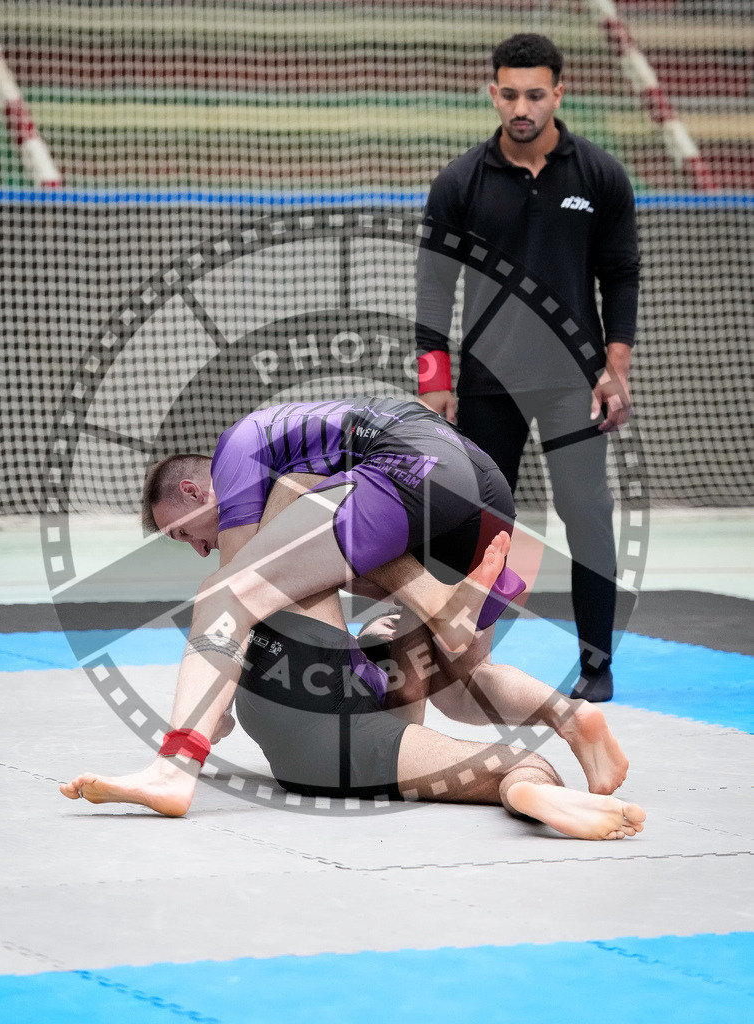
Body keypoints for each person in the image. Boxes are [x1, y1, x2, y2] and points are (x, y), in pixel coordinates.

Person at [60, 396, 645, 839]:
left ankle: (172, 769)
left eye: (185, 532)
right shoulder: (307, 464)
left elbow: (237, 587)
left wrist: (208, 719)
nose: (198, 547)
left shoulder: (240, 455)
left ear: (194, 490)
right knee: (464, 680)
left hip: (411, 467)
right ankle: (569, 719)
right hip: (476, 483)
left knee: (228, 591)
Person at [415, 33, 641, 702]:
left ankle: (595, 666)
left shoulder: (599, 176)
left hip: (575, 384)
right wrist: (434, 384)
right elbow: (433, 288)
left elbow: (619, 277)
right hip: (489, 384)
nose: (521, 107)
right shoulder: (459, 181)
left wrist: (614, 367)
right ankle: (448, 657)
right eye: (509, 94)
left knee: (588, 516)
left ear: (557, 94)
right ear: (493, 93)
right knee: (477, 525)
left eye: (534, 94)